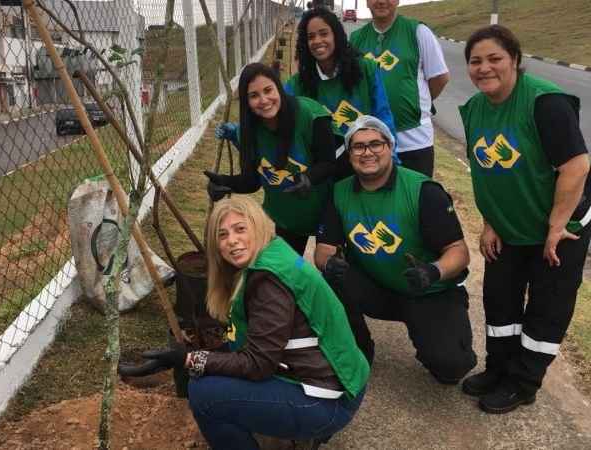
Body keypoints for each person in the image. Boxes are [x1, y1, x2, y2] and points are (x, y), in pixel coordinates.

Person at [120, 196, 370, 450]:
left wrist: (187, 360)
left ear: (258, 227)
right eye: (222, 235)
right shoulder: (275, 253)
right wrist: (197, 357)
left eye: (240, 229)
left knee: (206, 395)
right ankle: (282, 434)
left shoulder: (268, 282)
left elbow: (258, 364)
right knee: (211, 379)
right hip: (337, 382)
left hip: (328, 402)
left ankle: (297, 430)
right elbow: (258, 343)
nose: (232, 240)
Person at [458, 25, 591, 414]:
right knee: (500, 303)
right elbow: (487, 172)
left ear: (515, 59)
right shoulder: (474, 110)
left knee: (547, 309)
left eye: (494, 58)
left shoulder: (544, 102)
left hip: (561, 227)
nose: (485, 68)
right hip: (511, 226)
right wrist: (490, 222)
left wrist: (554, 229)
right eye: (476, 61)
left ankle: (524, 382)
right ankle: (499, 368)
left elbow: (577, 166)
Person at [314, 115, 477, 382]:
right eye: (358, 146)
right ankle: (357, 352)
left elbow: (459, 251)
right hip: (377, 287)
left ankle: (433, 335)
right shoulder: (339, 193)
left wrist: (432, 272)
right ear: (350, 154)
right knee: (331, 279)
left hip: (427, 291)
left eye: (375, 144)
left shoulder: (422, 191)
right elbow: (323, 248)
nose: (367, 152)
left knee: (450, 368)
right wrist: (329, 263)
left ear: (391, 147)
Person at [209, 62, 343, 256]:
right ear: (247, 103)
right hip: (287, 218)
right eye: (254, 96)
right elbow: (253, 180)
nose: (264, 100)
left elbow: (329, 162)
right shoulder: (248, 132)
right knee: (286, 274)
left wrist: (308, 177)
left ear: (279, 88)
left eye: (268, 90)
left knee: (330, 269)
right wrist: (222, 182)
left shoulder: (310, 115)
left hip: (326, 210)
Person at [284, 7, 399, 178]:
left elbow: (383, 117)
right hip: (323, 171)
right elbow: (276, 113)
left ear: (336, 35)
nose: (317, 41)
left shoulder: (366, 69)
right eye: (311, 37)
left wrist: (392, 159)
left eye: (324, 34)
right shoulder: (297, 84)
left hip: (364, 165)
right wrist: (238, 132)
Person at [349, 0, 449, 178]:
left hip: (414, 140)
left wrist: (414, 104)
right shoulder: (356, 38)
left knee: (415, 198)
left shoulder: (418, 31)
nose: (381, 1)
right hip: (371, 144)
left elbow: (440, 78)